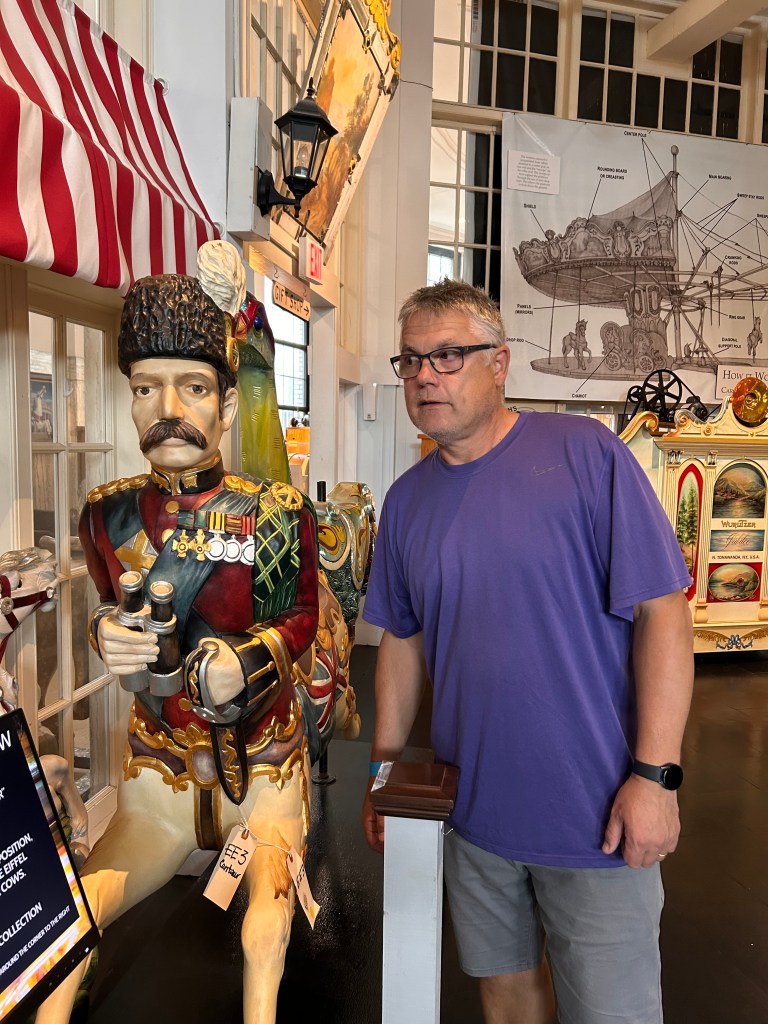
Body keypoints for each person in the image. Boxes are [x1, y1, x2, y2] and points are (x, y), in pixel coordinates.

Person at [361, 278, 693, 1024]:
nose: (425, 376)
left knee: (612, 1012)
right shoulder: (406, 502)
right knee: (506, 998)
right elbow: (402, 641)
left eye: (448, 355)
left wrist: (656, 778)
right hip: (474, 815)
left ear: (500, 362)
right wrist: (385, 774)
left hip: (596, 815)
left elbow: (664, 615)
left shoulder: (586, 456)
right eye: (410, 360)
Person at [37, 271, 319, 1024]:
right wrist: (106, 633)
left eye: (191, 387)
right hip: (158, 768)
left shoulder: (276, 513)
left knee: (264, 931)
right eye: (145, 388)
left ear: (225, 405)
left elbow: (300, 617)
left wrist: (243, 661)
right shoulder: (107, 515)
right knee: (81, 905)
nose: (166, 409)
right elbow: (108, 600)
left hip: (258, 761)